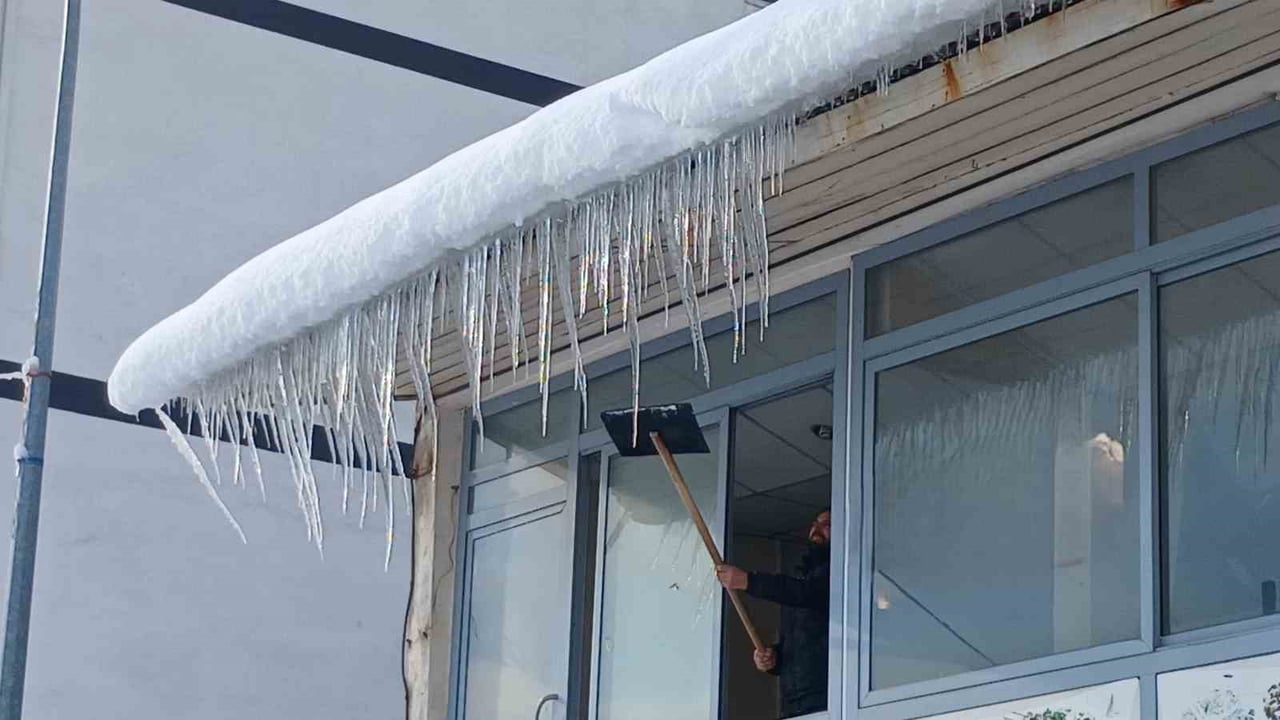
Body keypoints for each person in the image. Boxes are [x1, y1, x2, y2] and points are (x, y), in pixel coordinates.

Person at [717, 509, 831, 719]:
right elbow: (807, 641)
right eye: (814, 523)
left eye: (826, 524)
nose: (816, 529)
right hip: (796, 703)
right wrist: (775, 658)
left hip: (827, 699)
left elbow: (805, 594)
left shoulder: (839, 573)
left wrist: (748, 581)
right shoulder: (805, 579)